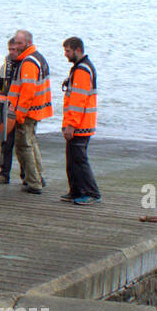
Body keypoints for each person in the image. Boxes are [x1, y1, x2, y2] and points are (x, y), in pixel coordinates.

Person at [7, 30, 52, 194]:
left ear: (27, 43)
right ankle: (39, 177)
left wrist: (19, 114)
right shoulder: (38, 57)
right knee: (32, 143)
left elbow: (27, 91)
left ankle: (34, 182)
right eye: (15, 43)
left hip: (27, 113)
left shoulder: (28, 62)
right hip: (37, 110)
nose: (16, 46)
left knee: (24, 146)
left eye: (19, 43)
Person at [61, 36, 101, 205]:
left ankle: (92, 192)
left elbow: (78, 101)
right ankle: (76, 190)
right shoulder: (81, 68)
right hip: (81, 123)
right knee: (72, 158)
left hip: (81, 124)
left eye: (68, 51)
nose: (65, 55)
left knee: (79, 159)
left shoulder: (82, 70)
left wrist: (71, 125)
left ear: (78, 50)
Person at [0, 37, 20, 184]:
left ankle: (31, 177)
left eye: (15, 49)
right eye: (10, 49)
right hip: (8, 108)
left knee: (24, 145)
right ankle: (4, 174)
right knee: (6, 143)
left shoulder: (26, 65)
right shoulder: (5, 66)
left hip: (22, 110)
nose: (12, 52)